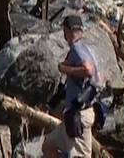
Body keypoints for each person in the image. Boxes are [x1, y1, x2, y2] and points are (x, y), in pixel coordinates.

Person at [42, 14, 100, 158]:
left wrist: (66, 70)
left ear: (67, 31)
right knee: (48, 144)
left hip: (79, 114)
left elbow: (89, 70)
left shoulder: (77, 48)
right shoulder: (87, 49)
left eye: (64, 31)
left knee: (78, 155)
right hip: (77, 112)